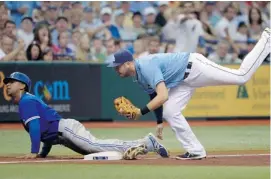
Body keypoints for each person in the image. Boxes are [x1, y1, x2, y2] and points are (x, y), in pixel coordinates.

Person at [107, 28, 270, 160]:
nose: (116, 70)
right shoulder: (139, 76)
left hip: (194, 66)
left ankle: (266, 40)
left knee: (241, 77)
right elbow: (154, 95)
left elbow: (162, 96)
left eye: (117, 66)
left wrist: (140, 112)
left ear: (128, 63)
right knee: (170, 111)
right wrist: (159, 123)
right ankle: (195, 150)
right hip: (182, 80)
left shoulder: (146, 66)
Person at [3, 72, 169, 159]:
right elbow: (44, 133)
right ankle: (142, 145)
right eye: (7, 82)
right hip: (63, 134)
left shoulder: (26, 101)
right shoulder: (26, 101)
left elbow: (35, 127)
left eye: (12, 81)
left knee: (95, 146)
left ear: (23, 86)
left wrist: (34, 152)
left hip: (66, 130)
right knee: (95, 150)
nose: (8, 84)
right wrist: (42, 153)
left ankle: (146, 143)